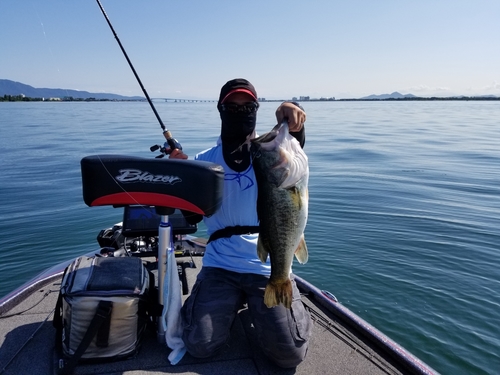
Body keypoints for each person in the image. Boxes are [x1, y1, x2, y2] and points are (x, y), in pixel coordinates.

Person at [169, 78, 312, 368]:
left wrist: (293, 110)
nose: (240, 111)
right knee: (199, 345)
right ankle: (234, 304)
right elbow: (192, 219)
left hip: (265, 263)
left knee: (289, 355)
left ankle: (273, 309)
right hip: (220, 266)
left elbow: (293, 135)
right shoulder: (202, 162)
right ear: (220, 110)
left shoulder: (270, 151)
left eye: (248, 106)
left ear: (257, 109)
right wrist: (182, 178)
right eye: (232, 107)